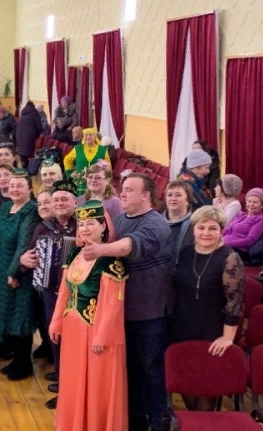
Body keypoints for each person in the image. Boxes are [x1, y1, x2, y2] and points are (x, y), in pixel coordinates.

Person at [80, 173, 172, 431]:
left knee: (151, 369)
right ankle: (133, 418)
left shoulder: (156, 223)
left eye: (130, 189)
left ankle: (158, 421)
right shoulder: (120, 220)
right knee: (127, 368)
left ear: (146, 195)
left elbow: (131, 245)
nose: (123, 192)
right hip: (122, 310)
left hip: (151, 311)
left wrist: (100, 250)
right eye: (123, 188)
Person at [49, 200, 128, 431]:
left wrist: (102, 336)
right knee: (73, 378)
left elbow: (112, 305)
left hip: (96, 332)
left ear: (103, 226)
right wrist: (56, 321)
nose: (84, 228)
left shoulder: (110, 260)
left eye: (91, 223)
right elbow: (64, 291)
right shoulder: (75, 253)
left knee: (96, 382)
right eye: (81, 224)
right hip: (73, 330)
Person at [170, 206, 244, 411]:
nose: (206, 233)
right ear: (194, 229)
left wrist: (227, 338)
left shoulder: (230, 258)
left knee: (206, 388)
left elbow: (234, 302)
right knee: (185, 382)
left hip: (212, 330)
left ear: (221, 230)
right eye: (201, 227)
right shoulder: (185, 253)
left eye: (212, 228)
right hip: (182, 328)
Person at [20, 179, 78, 409]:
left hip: (77, 293)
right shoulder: (44, 227)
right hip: (50, 291)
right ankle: (61, 374)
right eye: (56, 200)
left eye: (65, 199)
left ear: (75, 203)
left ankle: (69, 387)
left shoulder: (82, 224)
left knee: (72, 339)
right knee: (55, 334)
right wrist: (25, 261)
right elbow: (30, 255)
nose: (60, 203)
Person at [0, 169, 41, 381]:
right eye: (12, 186)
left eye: (20, 185)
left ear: (30, 188)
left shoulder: (31, 211)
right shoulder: (5, 208)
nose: (15, 189)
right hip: (0, 270)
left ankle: (24, 363)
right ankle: (15, 357)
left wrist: (14, 272)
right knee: (5, 315)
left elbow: (24, 244)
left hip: (20, 273)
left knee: (20, 317)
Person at [223, 187, 263, 255]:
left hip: (238, 250)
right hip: (224, 245)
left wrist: (226, 244)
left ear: (262, 205)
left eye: (255, 202)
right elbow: (226, 231)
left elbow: (249, 241)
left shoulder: (261, 220)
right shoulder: (241, 215)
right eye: (249, 201)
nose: (251, 205)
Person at [63, 128, 111, 195]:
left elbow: (108, 165)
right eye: (85, 135)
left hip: (97, 181)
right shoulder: (78, 149)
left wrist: (105, 177)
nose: (88, 137)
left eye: (90, 135)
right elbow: (67, 160)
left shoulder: (102, 150)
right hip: (80, 182)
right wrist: (69, 172)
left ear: (95, 137)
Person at [164, 181, 195, 267]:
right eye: (169, 195)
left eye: (178, 195)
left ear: (187, 200)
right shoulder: (155, 223)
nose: (173, 198)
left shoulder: (196, 224)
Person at [15, 101, 43, 168]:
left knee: (22, 153)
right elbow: (39, 127)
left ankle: (21, 167)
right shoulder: (35, 114)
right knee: (27, 153)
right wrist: (35, 135)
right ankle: (27, 169)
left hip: (19, 135)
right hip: (29, 136)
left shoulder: (23, 114)